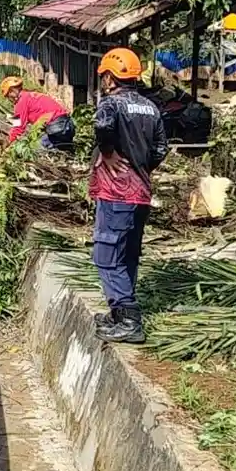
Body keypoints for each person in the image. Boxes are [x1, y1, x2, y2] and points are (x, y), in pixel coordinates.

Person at [89, 48, 167, 344]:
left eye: (103, 77)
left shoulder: (111, 104)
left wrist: (108, 154)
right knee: (128, 255)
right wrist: (142, 168)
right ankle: (118, 314)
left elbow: (102, 125)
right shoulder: (150, 107)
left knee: (107, 257)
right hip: (141, 193)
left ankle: (130, 320)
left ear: (110, 77)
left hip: (116, 192)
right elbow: (161, 148)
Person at [0, 76, 75, 151]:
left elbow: (17, 128)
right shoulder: (31, 95)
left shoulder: (20, 102)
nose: (8, 99)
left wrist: (8, 143)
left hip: (58, 129)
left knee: (32, 149)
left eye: (7, 95)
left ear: (12, 90)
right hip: (68, 127)